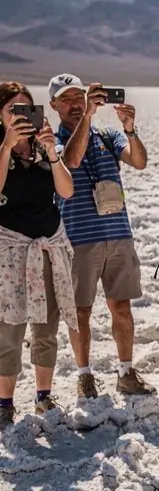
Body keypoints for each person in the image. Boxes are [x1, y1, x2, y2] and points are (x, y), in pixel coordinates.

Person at [49, 73, 154, 398]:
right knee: (81, 311)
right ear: (53, 105)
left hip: (118, 234)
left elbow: (138, 161)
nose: (75, 104)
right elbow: (72, 160)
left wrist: (129, 128)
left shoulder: (108, 137)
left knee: (121, 307)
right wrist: (90, 118)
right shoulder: (52, 143)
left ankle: (125, 372)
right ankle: (84, 376)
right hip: (79, 239)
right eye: (66, 99)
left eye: (79, 97)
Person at [0, 83, 77, 426]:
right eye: (12, 110)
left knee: (47, 326)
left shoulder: (46, 149)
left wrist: (52, 152)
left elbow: (66, 191)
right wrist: (5, 146)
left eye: (26, 110)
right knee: (9, 328)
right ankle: (4, 403)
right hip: (10, 253)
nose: (21, 117)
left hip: (48, 248)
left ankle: (43, 396)